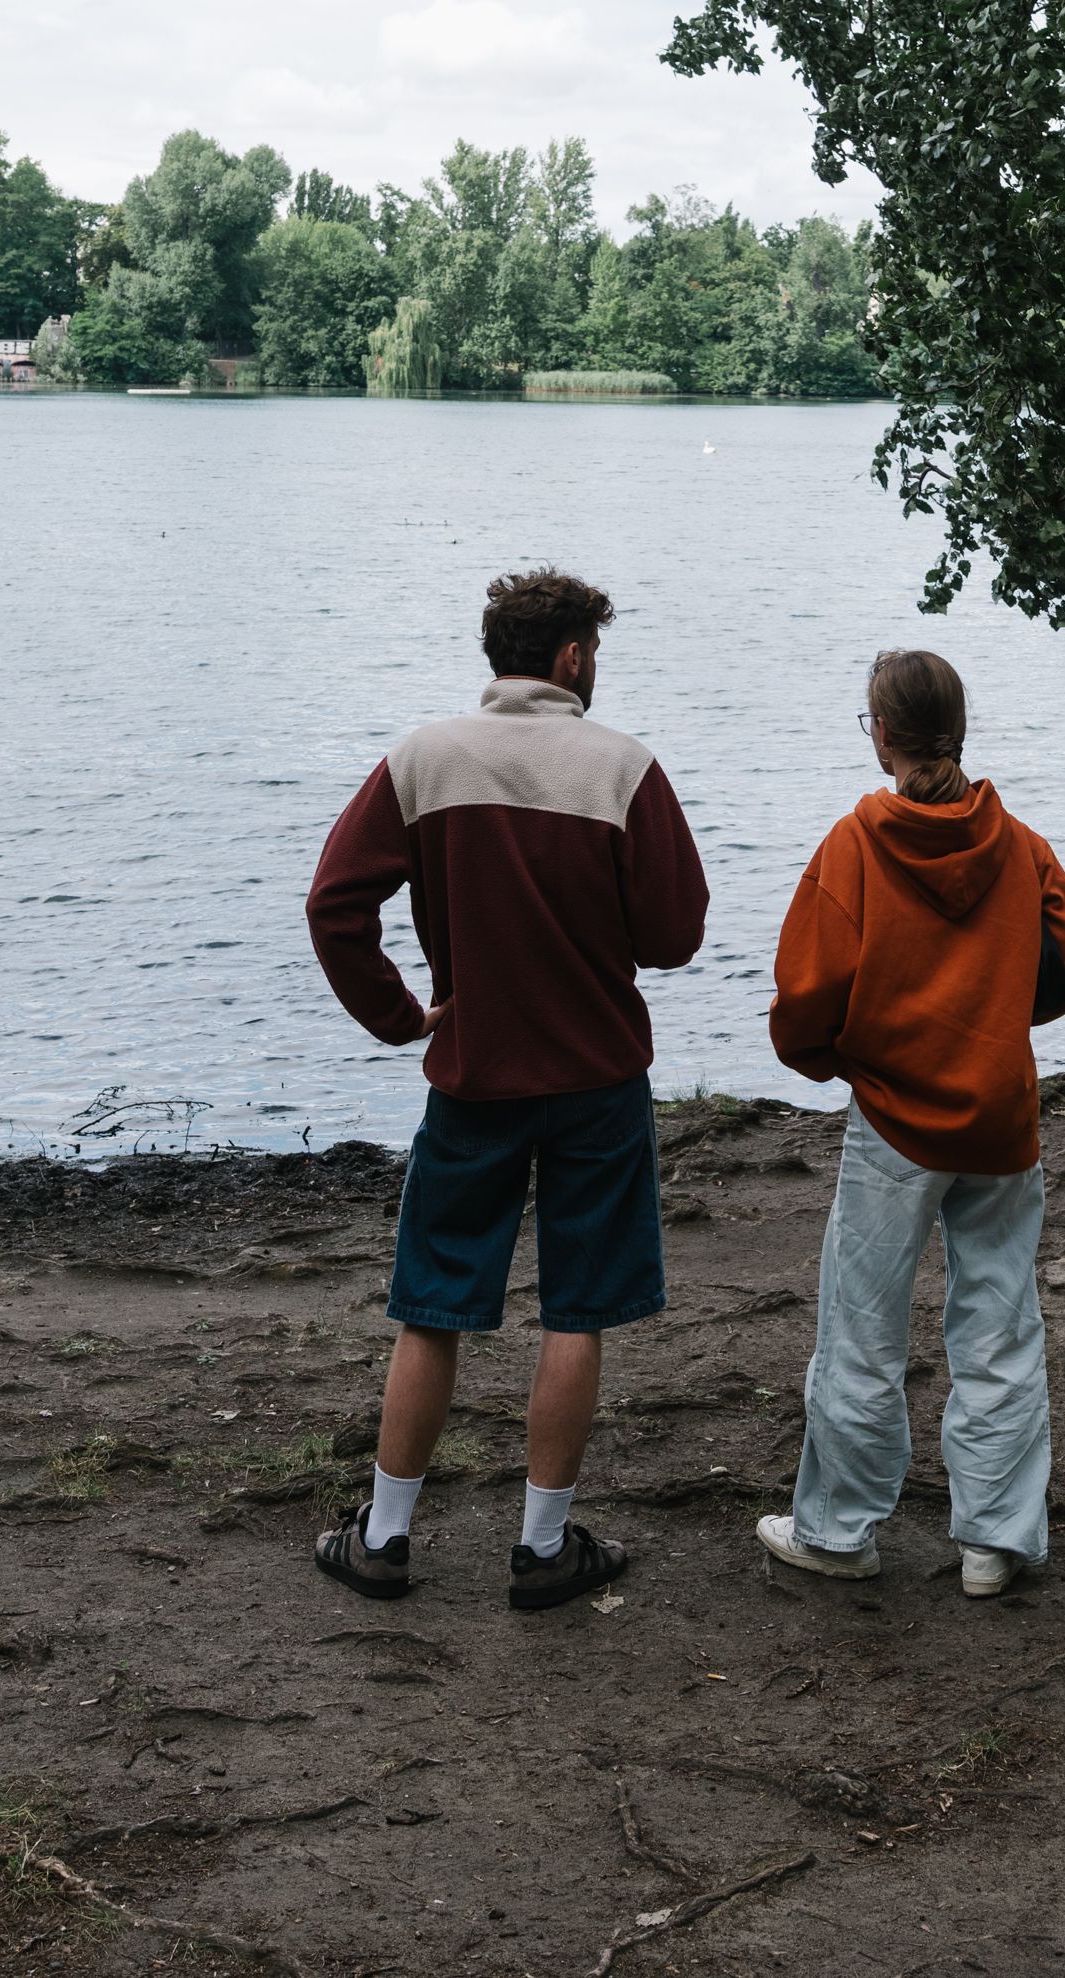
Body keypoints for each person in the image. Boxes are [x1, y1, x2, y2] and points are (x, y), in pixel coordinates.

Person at [302, 567, 708, 1610]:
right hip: (597, 1078)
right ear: (572, 656)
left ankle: (385, 1536)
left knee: (431, 1303)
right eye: (595, 653)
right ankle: (541, 1547)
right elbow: (672, 937)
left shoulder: (423, 758)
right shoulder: (624, 769)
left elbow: (334, 903)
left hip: (473, 1072)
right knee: (576, 1307)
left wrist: (398, 1014)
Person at [754, 648, 1065, 1599]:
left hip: (894, 1125)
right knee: (999, 1328)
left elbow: (802, 998)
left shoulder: (854, 845)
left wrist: (844, 1063)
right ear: (957, 729)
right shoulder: (1019, 844)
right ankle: (996, 1540)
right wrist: (992, 1021)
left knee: (863, 1334)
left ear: (883, 735)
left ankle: (837, 1531)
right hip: (999, 1118)